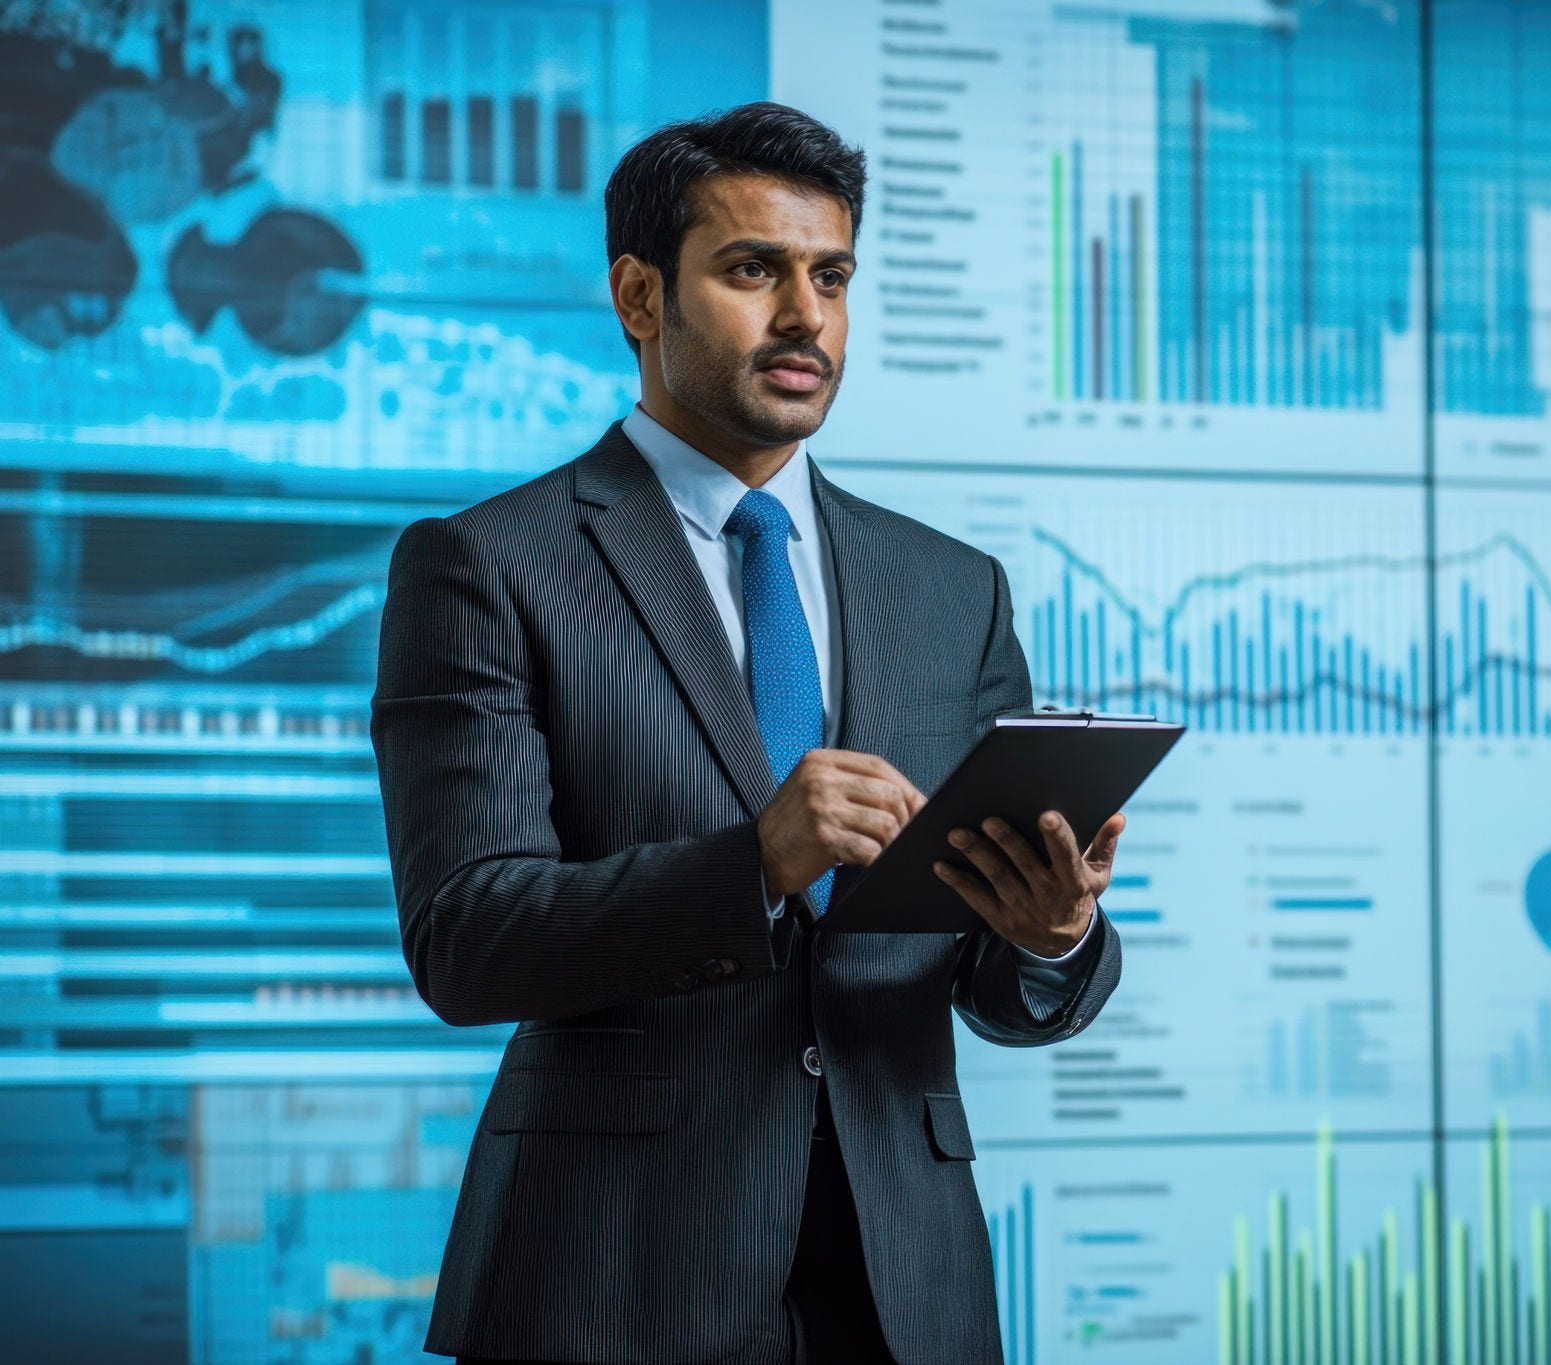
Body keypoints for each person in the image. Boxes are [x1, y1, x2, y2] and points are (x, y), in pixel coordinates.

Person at [369, 102, 1129, 1365]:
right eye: (750, 271)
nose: (805, 318)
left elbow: (997, 990)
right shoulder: (487, 566)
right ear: (638, 296)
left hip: (906, 1283)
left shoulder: (952, 589)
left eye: (829, 276)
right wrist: (753, 863)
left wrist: (1052, 937)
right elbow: (466, 940)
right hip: (613, 1278)